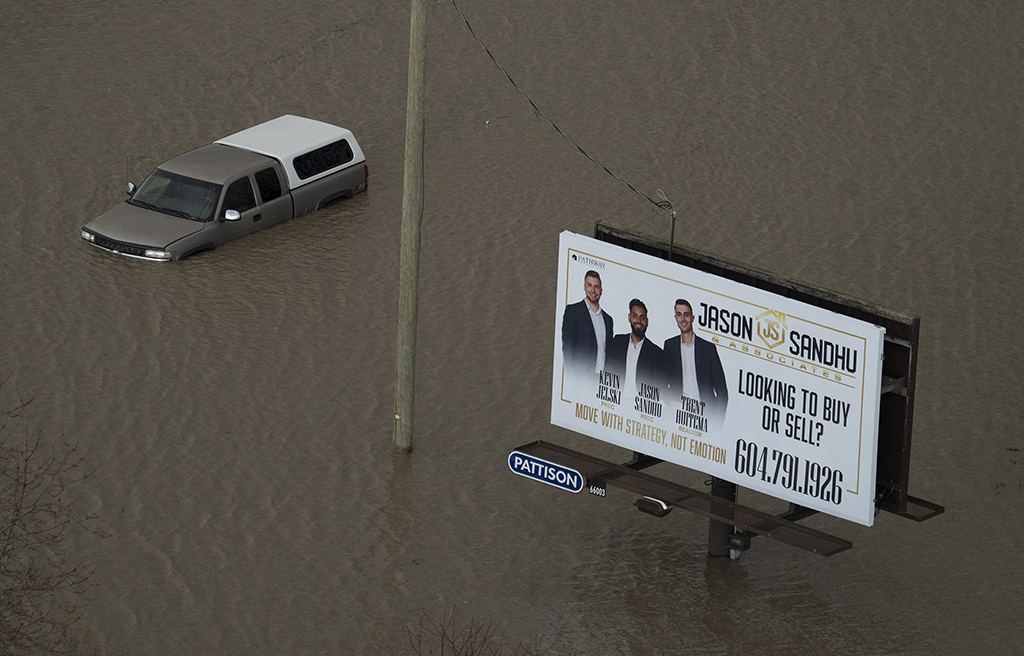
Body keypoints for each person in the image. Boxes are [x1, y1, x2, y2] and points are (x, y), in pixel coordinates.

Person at [663, 299, 729, 424]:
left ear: (692, 318)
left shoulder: (708, 349)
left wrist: (716, 422)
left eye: (686, 315)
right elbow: (662, 382)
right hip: (677, 413)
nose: (683, 319)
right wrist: (671, 403)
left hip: (704, 414)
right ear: (675, 317)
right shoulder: (670, 346)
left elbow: (722, 391)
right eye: (679, 314)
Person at [606, 299, 667, 397]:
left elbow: (658, 389)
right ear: (629, 318)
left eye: (642, 317)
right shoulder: (617, 342)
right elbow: (607, 372)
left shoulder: (657, 353)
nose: (638, 321)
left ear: (647, 322)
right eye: (635, 316)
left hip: (640, 407)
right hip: (615, 402)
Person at [561, 270, 613, 378]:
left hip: (602, 380)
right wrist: (572, 378)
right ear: (584, 287)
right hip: (580, 378)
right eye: (589, 285)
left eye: (596, 287)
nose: (593, 290)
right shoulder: (573, 311)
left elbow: (608, 353)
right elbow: (567, 349)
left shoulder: (608, 320)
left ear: (601, 291)